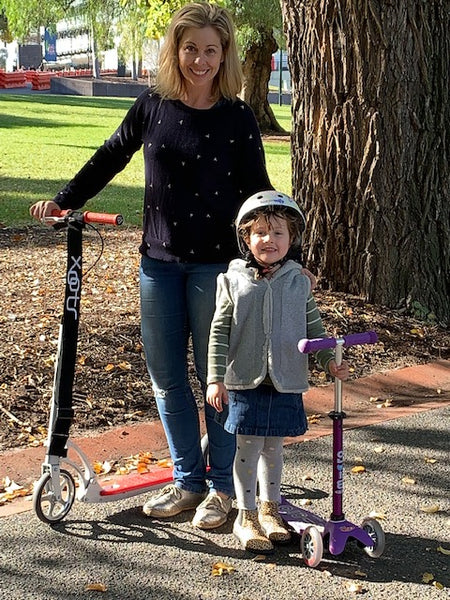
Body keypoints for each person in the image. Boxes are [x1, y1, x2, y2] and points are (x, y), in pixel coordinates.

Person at [29, 2, 274, 530]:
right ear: (175, 50)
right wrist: (66, 199)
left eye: (211, 50)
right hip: (158, 267)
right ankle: (187, 481)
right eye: (191, 49)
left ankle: (220, 488)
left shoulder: (237, 116)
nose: (200, 60)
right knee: (166, 378)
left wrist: (281, 259)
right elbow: (113, 152)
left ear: (225, 53)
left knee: (219, 380)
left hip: (217, 269)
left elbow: (259, 192)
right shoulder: (154, 105)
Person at [206, 190, 350, 553]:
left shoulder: (299, 281)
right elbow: (219, 331)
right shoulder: (232, 279)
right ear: (246, 238)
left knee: (274, 449)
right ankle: (246, 515)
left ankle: (271, 511)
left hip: (286, 380)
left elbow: (314, 329)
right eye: (260, 233)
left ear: (293, 238)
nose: (269, 240)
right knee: (247, 449)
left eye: (278, 233)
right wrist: (215, 377)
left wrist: (328, 362)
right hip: (245, 380)